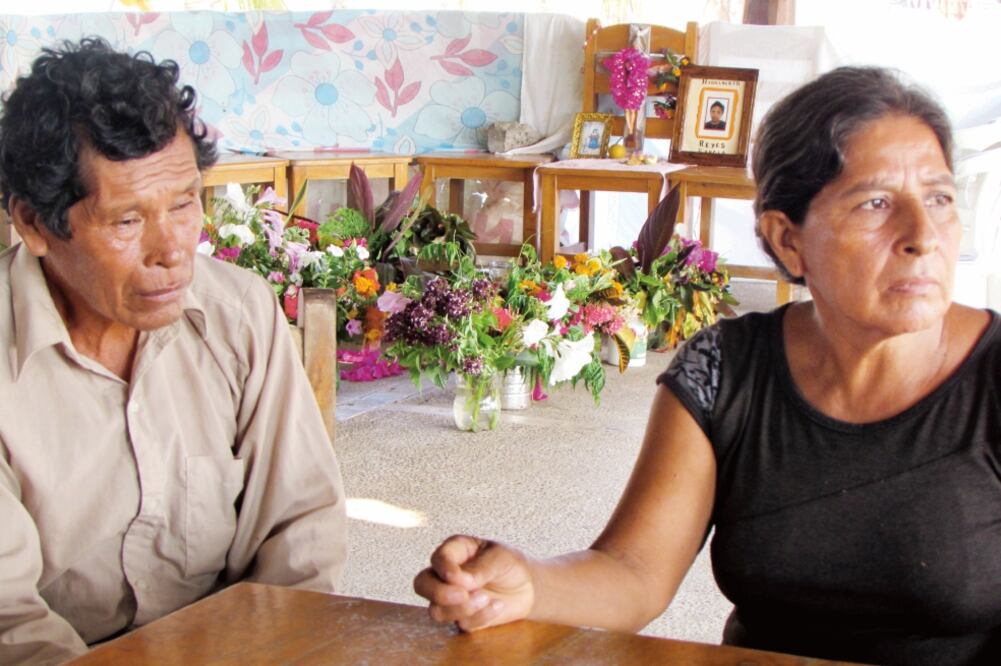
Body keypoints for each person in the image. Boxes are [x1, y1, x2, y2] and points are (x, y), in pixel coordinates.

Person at [414, 66, 1001, 665]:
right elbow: (634, 572)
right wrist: (529, 584)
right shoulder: (726, 369)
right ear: (788, 240)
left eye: (939, 198)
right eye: (876, 203)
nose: (923, 235)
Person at [0, 39, 347, 664]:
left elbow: (299, 536)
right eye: (127, 221)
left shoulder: (238, 312)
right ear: (32, 224)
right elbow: (11, 625)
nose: (173, 250)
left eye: (185, 203)